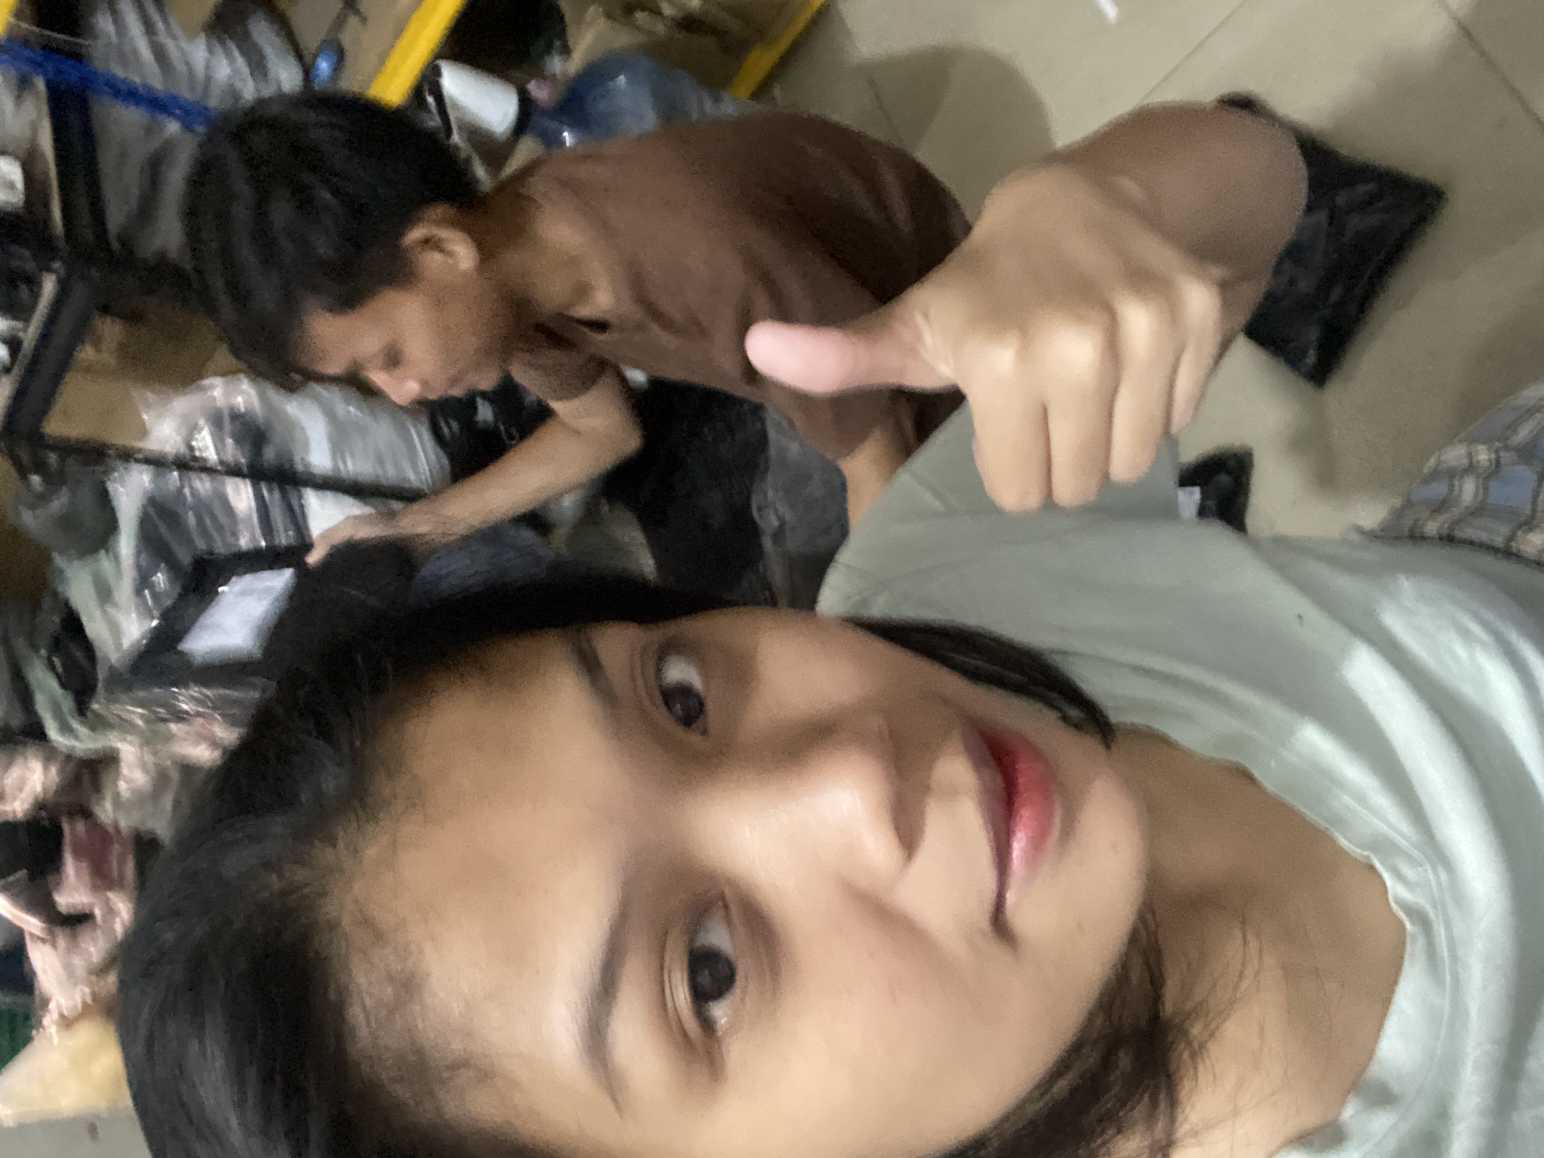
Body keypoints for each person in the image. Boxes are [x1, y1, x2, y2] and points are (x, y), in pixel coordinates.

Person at [120, 104, 1544, 1158]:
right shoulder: (541, 328)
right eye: (708, 973)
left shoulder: (937, 581)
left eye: (680, 693)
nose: (857, 776)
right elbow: (602, 434)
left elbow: (1256, 189)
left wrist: (1105, 196)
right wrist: (426, 524)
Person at [184, 95, 1295, 565]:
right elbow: (602, 431)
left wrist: (881, 645)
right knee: (799, 561)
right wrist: (420, 526)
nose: (402, 393)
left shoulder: (688, 251)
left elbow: (874, 450)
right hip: (804, 365)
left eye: (384, 359)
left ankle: (1164, 513)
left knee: (869, 587)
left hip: (916, 324)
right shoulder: (511, 283)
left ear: (437, 251)